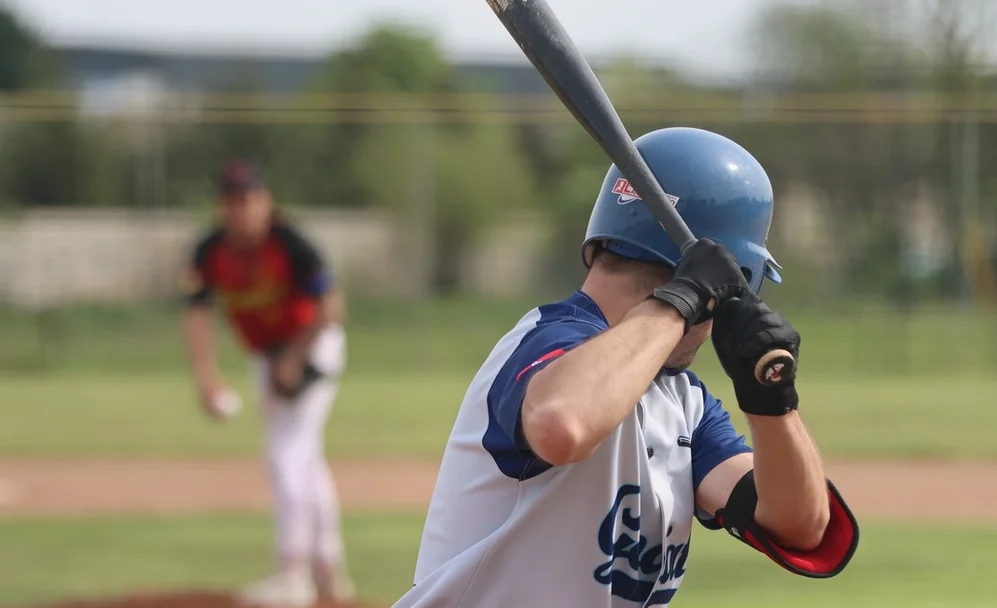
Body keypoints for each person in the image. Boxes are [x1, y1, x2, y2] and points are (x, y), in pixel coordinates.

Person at [395, 128, 859, 607]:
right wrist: (678, 303)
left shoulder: (684, 403)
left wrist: (771, 399)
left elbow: (800, 526)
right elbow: (562, 426)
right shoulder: (547, 342)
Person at [182, 159, 354, 607]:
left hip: (313, 346)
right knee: (304, 457)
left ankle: (293, 575)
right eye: (234, 201)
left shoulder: (289, 242)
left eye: (250, 199)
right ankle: (329, 573)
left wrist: (296, 359)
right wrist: (206, 378)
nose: (243, 209)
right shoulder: (209, 252)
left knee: (287, 454)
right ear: (222, 207)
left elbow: (331, 306)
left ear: (266, 201)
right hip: (267, 356)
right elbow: (197, 317)